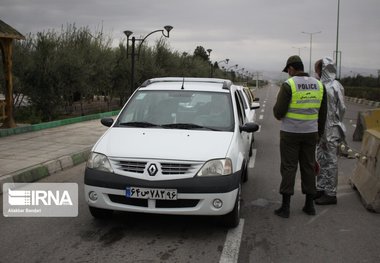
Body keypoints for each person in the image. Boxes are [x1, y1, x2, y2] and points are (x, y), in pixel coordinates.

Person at [273, 55, 327, 218]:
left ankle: (285, 207)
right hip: (311, 133)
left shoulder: (289, 85)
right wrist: (319, 133)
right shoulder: (319, 85)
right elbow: (323, 113)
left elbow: (278, 112)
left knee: (289, 167)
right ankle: (309, 205)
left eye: (288, 70)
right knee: (309, 166)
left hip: (290, 133)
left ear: (291, 69)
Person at [314, 57, 346, 205]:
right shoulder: (333, 85)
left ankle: (330, 193)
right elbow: (342, 109)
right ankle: (321, 188)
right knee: (321, 159)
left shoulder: (328, 87)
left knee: (331, 161)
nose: (316, 73)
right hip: (325, 129)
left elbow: (329, 112)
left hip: (329, 130)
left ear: (323, 70)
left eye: (317, 70)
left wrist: (331, 129)